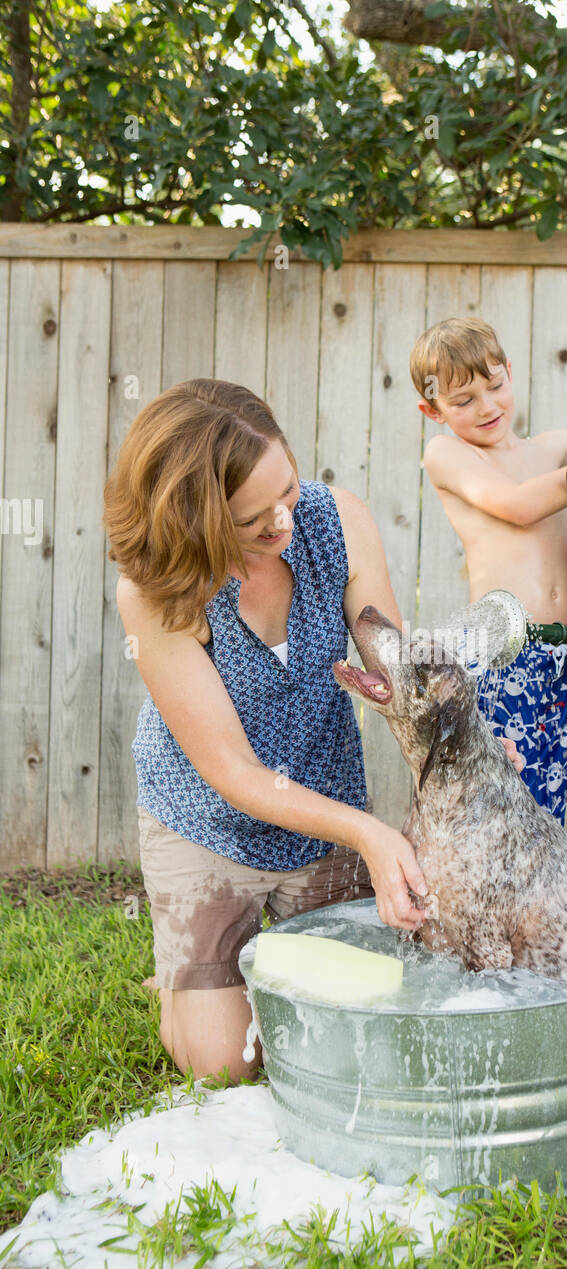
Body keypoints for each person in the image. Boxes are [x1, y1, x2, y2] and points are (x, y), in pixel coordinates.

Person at [105, 379, 436, 1085]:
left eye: (287, 489)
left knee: (349, 1034)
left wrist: (461, 739)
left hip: (323, 814)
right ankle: (187, 982)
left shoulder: (336, 520)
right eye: (253, 519)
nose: (284, 521)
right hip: (208, 823)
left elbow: (394, 668)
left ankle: (232, 964)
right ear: (194, 520)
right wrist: (373, 835)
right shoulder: (153, 590)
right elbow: (235, 772)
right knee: (229, 1066)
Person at [409, 316, 567, 822]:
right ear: (432, 409)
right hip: (504, 654)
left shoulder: (548, 448)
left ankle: (537, 897)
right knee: (504, 798)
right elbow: (520, 504)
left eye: (495, 385)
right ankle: (479, 896)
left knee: (550, 796)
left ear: (510, 371)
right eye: (462, 401)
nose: (486, 407)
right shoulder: (447, 454)